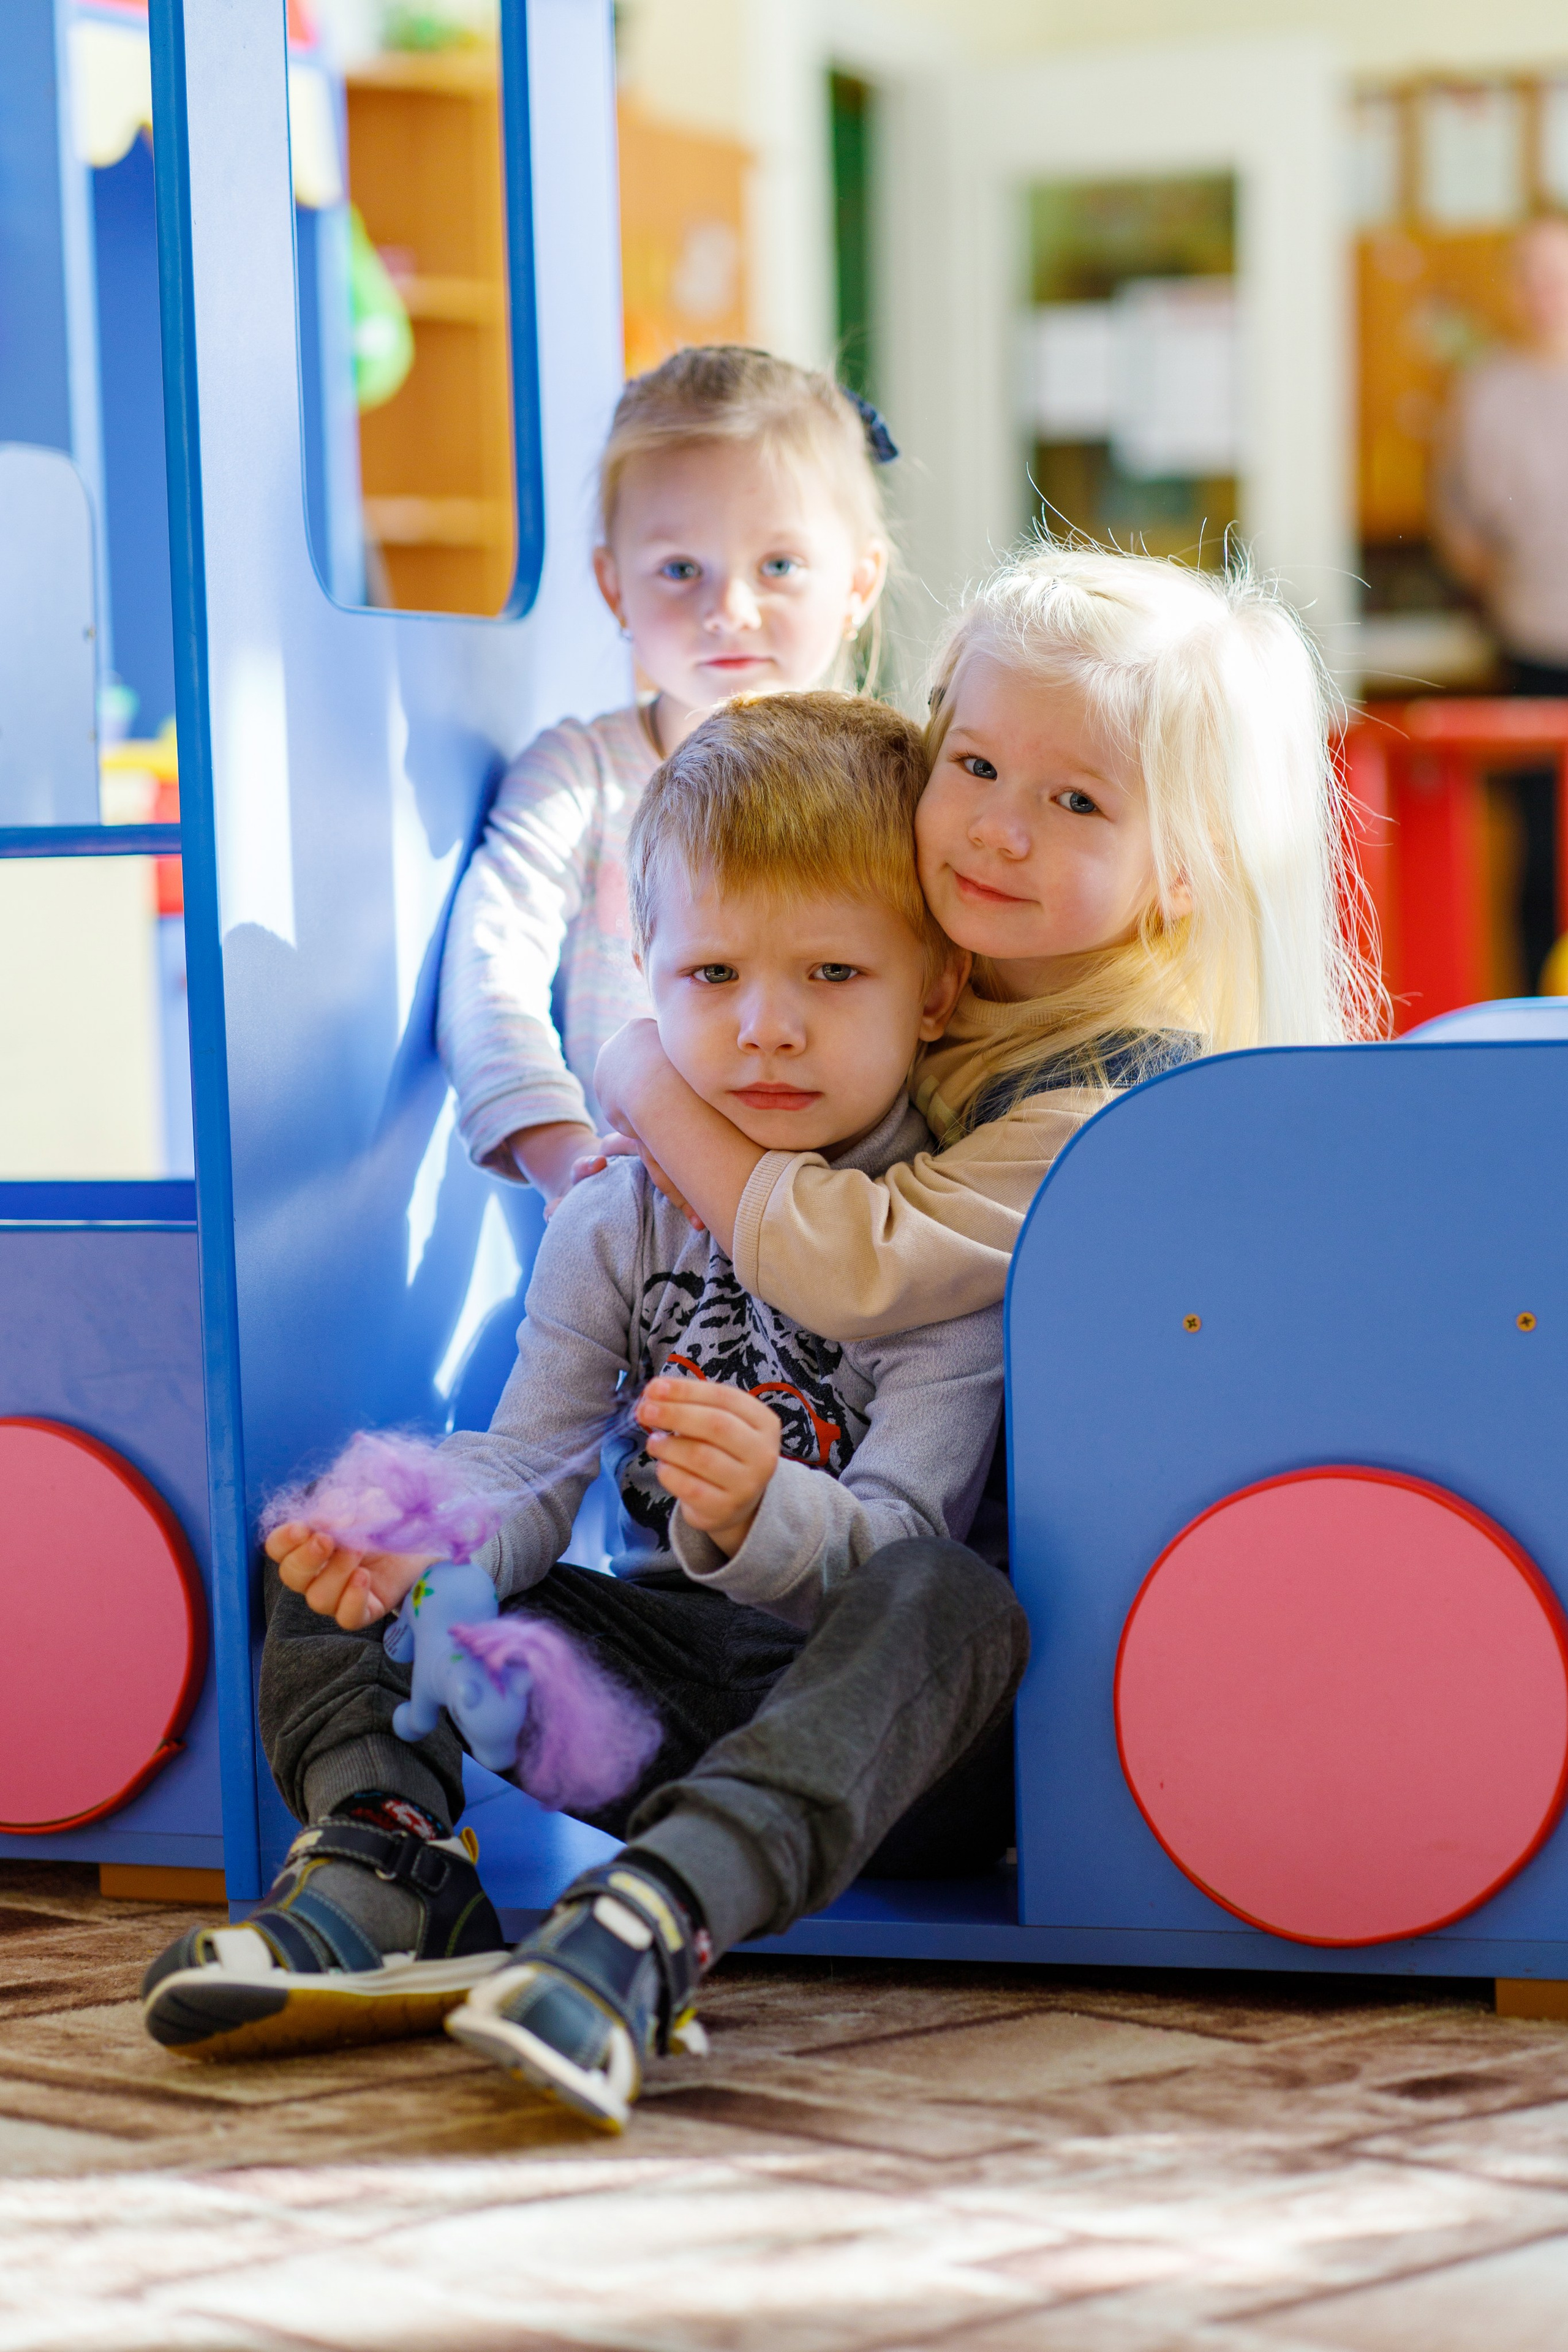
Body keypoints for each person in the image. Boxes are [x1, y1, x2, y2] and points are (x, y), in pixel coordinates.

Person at [140, 694, 1025, 2130]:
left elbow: (903, 1534)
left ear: (930, 989)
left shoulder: (935, 1228)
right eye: (712, 969)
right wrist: (420, 1530)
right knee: (354, 1507)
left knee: (953, 1596)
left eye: (831, 971)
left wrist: (765, 1510)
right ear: (648, 972)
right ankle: (391, 1851)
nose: (763, 1024)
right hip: (657, 1721)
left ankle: (652, 1923)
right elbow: (530, 1465)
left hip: (885, 1747)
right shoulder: (622, 1205)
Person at [593, 544, 1383, 1340]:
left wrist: (643, 1070)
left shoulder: (1118, 1112)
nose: (999, 831)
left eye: (1076, 801)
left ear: (1188, 867)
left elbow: (862, 1266)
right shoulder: (938, 967)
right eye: (975, 763)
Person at [438, 345, 894, 1209]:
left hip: (844, 1236)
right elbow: (487, 972)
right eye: (680, 570)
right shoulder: (583, 778)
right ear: (614, 586)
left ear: (858, 582)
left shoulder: (896, 788)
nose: (730, 608)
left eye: (780, 566)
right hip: (634, 1250)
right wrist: (568, 1161)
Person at [1433, 216, 1568, 990]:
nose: (1544, 293)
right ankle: (1541, 1019)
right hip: (1533, 648)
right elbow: (1461, 522)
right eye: (1530, 274)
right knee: (1541, 854)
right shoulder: (1486, 390)